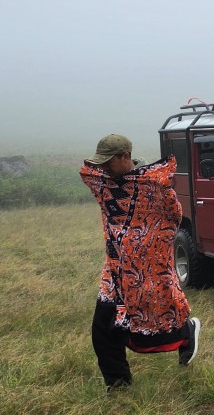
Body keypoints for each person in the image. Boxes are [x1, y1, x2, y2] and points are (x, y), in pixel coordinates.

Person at [80, 133, 201, 389]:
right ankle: (118, 385)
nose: (102, 168)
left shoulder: (153, 186)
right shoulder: (106, 182)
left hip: (148, 264)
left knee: (154, 317)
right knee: (103, 327)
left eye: (108, 162)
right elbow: (90, 175)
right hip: (114, 267)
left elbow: (173, 217)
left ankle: (187, 331)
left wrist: (152, 244)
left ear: (125, 157)